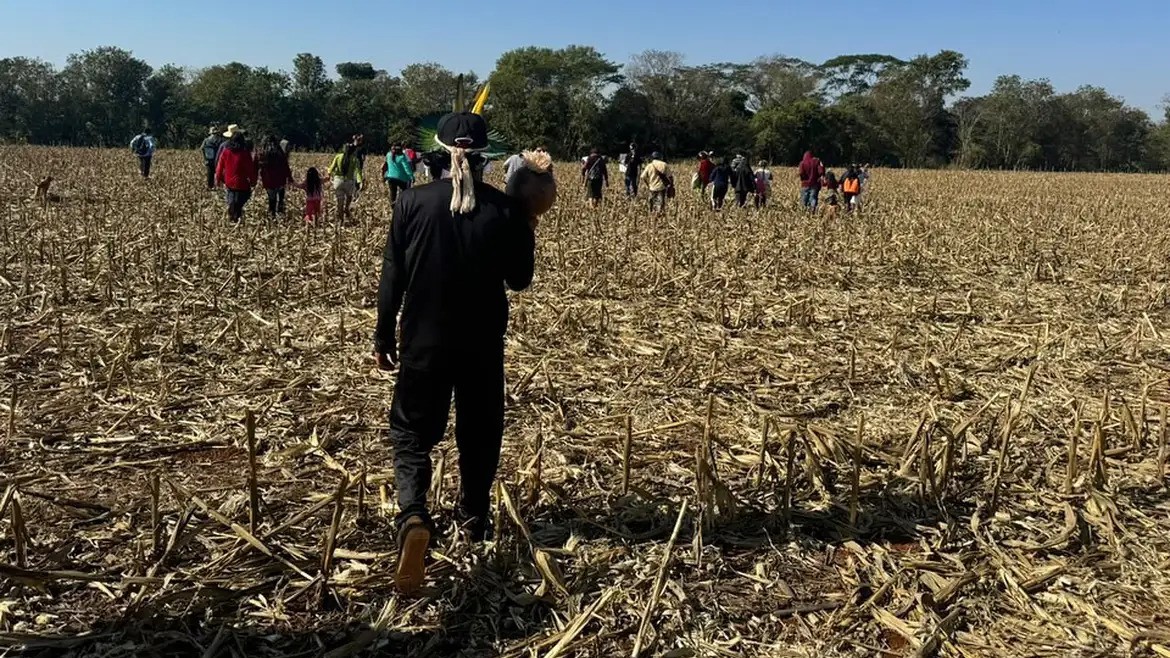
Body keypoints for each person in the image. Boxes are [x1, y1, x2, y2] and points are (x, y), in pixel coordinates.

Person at [373, 112, 536, 595]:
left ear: (438, 154)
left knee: (410, 430)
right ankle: (475, 518)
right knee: (480, 431)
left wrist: (383, 335)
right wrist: (527, 219)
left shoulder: (412, 202)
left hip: (422, 341)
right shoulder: (504, 210)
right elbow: (520, 280)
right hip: (482, 343)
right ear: (484, 157)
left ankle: (414, 514)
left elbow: (392, 275)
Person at [215, 125, 257, 222]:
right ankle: (236, 216)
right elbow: (250, 169)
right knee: (241, 199)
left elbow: (219, 167)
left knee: (232, 199)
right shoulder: (245, 153)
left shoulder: (226, 151)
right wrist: (253, 181)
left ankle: (232, 215)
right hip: (242, 183)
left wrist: (218, 179)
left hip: (229, 181)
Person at [255, 134, 293, 218]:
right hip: (280, 179)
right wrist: (290, 178)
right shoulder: (279, 152)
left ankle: (272, 215)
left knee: (272, 198)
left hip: (268, 180)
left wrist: (254, 178)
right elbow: (285, 166)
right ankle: (280, 211)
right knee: (281, 197)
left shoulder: (262, 153)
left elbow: (256, 166)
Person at [328, 143, 363, 221]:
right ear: (353, 151)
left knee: (339, 202)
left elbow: (331, 168)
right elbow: (358, 172)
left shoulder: (338, 157)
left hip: (338, 182)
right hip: (349, 182)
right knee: (349, 196)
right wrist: (360, 181)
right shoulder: (355, 159)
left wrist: (329, 174)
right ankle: (346, 208)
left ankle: (341, 219)